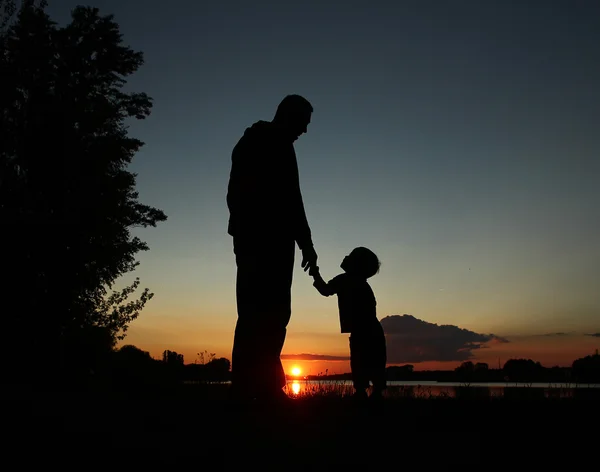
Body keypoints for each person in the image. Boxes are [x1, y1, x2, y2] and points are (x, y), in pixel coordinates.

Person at [226, 94, 318, 404]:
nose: (304, 131)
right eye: (302, 124)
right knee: (259, 313)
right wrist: (302, 242)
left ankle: (261, 385)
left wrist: (305, 244)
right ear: (287, 115)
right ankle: (252, 386)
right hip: (262, 241)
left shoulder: (275, 144)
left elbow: (293, 200)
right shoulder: (260, 141)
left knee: (272, 313)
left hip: (273, 240)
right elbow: (286, 199)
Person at [309, 247, 387, 401]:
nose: (345, 257)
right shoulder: (360, 283)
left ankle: (362, 393)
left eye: (350, 256)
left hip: (362, 330)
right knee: (374, 361)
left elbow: (325, 290)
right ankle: (374, 393)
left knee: (359, 360)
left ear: (355, 264)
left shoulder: (345, 279)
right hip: (373, 328)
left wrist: (315, 273)